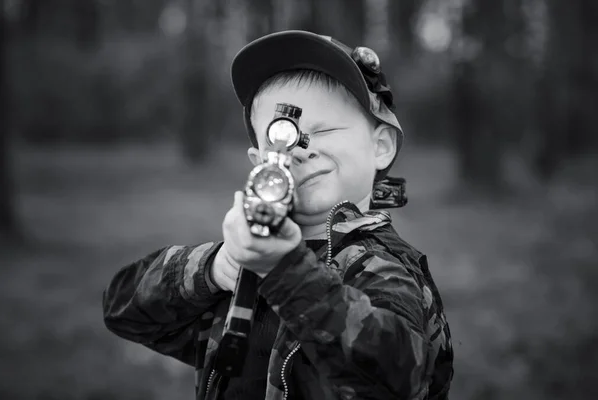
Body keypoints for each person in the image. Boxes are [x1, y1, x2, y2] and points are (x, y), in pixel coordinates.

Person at [102, 30, 454, 400]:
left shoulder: (384, 266)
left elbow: (400, 374)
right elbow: (122, 309)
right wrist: (214, 268)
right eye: (280, 140)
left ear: (380, 147)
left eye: (326, 130)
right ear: (258, 164)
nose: (301, 151)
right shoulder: (245, 265)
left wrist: (287, 274)